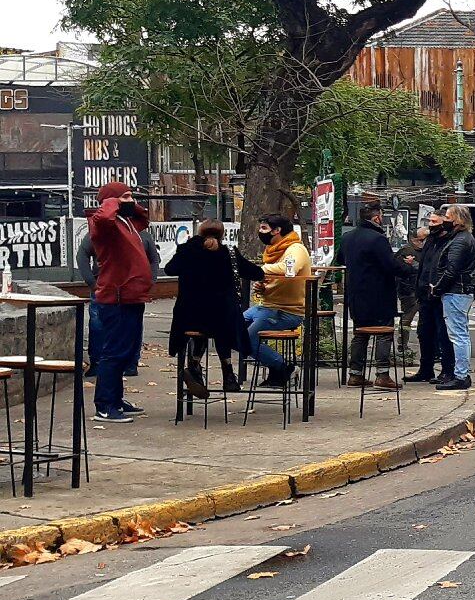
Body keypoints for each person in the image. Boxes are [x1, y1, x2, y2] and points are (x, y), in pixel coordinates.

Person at [86, 180, 154, 423]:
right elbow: (104, 218)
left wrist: (129, 204)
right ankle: (105, 406)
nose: (131, 200)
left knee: (125, 353)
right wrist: (111, 200)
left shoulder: (127, 223)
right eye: (125, 196)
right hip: (116, 297)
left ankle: (116, 399)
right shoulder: (103, 224)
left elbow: (143, 218)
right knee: (113, 353)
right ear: (110, 202)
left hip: (132, 296)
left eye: (131, 196)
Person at [165, 220, 243, 396]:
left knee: (202, 326)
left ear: (199, 233)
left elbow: (170, 269)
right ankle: (228, 373)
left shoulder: (186, 251)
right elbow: (254, 272)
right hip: (221, 317)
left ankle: (194, 367)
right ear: (222, 234)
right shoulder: (229, 253)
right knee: (221, 325)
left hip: (189, 316)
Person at [336, 200, 404, 388]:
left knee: (360, 333)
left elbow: (341, 259)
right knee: (384, 332)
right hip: (379, 294)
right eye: (381, 216)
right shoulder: (377, 239)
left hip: (356, 293)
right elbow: (390, 265)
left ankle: (355, 374)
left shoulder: (348, 237)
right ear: (376, 217)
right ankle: (382, 374)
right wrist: (407, 267)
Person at [243, 213, 312, 386]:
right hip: (265, 306)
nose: (260, 232)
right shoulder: (272, 250)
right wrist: (262, 287)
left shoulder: (296, 249)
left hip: (286, 311)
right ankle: (279, 368)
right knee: (231, 329)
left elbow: (290, 268)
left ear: (277, 230)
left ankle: (282, 367)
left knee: (247, 338)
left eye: (264, 228)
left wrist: (259, 270)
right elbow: (275, 280)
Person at [433, 204, 475, 390]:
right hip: (458, 290)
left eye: (448, 218)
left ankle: (461, 375)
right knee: (459, 333)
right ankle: (461, 373)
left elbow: (452, 270)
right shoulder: (462, 238)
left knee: (458, 335)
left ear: (458, 220)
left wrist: (437, 288)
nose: (445, 221)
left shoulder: (460, 240)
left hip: (455, 291)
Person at [407, 212, 449, 383]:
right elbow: (425, 265)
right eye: (430, 221)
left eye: (434, 221)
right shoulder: (430, 241)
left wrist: (437, 287)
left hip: (438, 293)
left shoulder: (447, 241)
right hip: (425, 293)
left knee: (442, 332)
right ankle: (426, 369)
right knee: (424, 333)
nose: (430, 224)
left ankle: (446, 371)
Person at [395, 224, 425, 366]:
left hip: (418, 288)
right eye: (420, 240)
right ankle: (402, 345)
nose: (423, 242)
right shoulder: (407, 250)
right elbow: (406, 269)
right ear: (413, 239)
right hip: (409, 290)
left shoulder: (423, 250)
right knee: (407, 317)